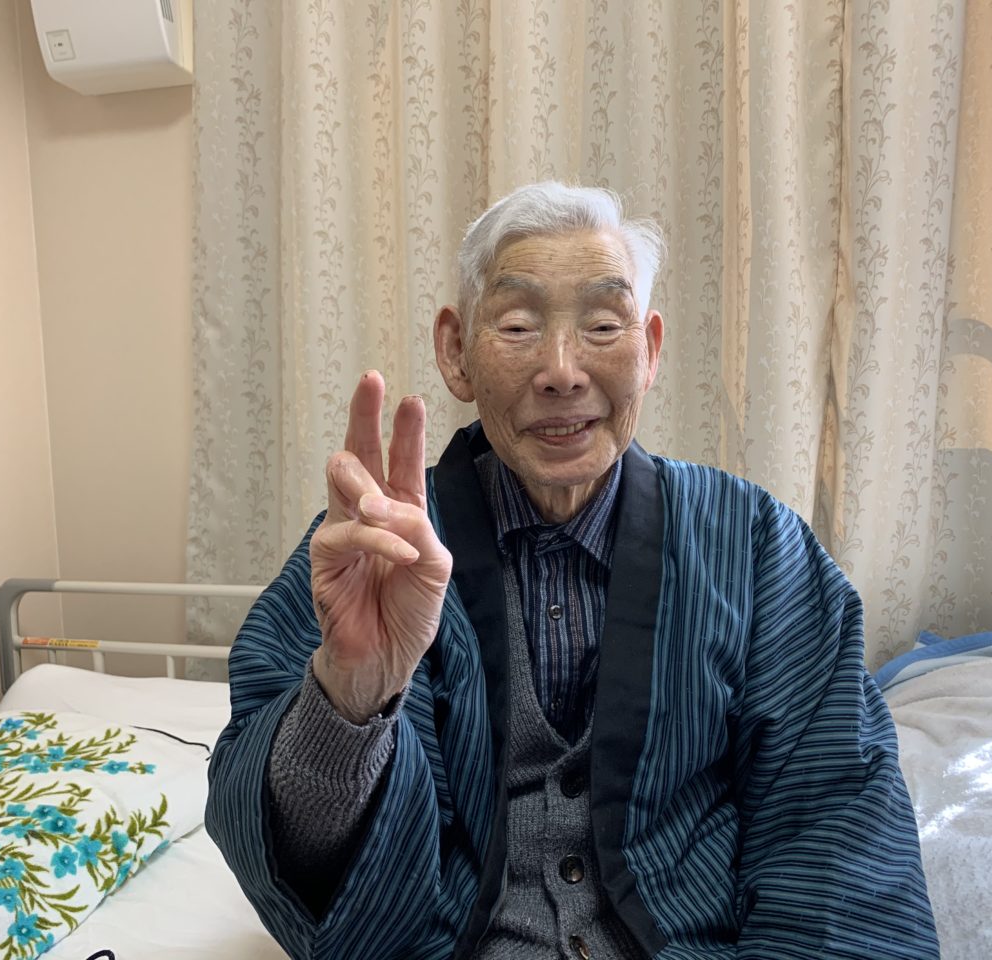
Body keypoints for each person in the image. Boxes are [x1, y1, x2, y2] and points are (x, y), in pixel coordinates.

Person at [206, 182, 940, 960]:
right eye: (518, 325)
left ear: (649, 349)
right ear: (456, 352)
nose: (562, 370)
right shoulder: (375, 549)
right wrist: (351, 697)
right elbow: (302, 861)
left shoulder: (753, 545)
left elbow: (832, 815)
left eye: (602, 325)